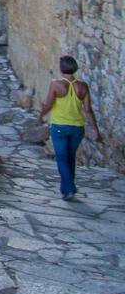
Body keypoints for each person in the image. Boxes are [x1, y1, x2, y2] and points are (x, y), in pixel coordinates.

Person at [39, 55, 102, 200]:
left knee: (61, 158)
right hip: (77, 128)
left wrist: (40, 116)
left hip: (60, 126)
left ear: (61, 69)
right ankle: (67, 188)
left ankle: (69, 188)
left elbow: (48, 104)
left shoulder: (56, 84)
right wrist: (96, 131)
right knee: (70, 157)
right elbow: (88, 110)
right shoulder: (83, 86)